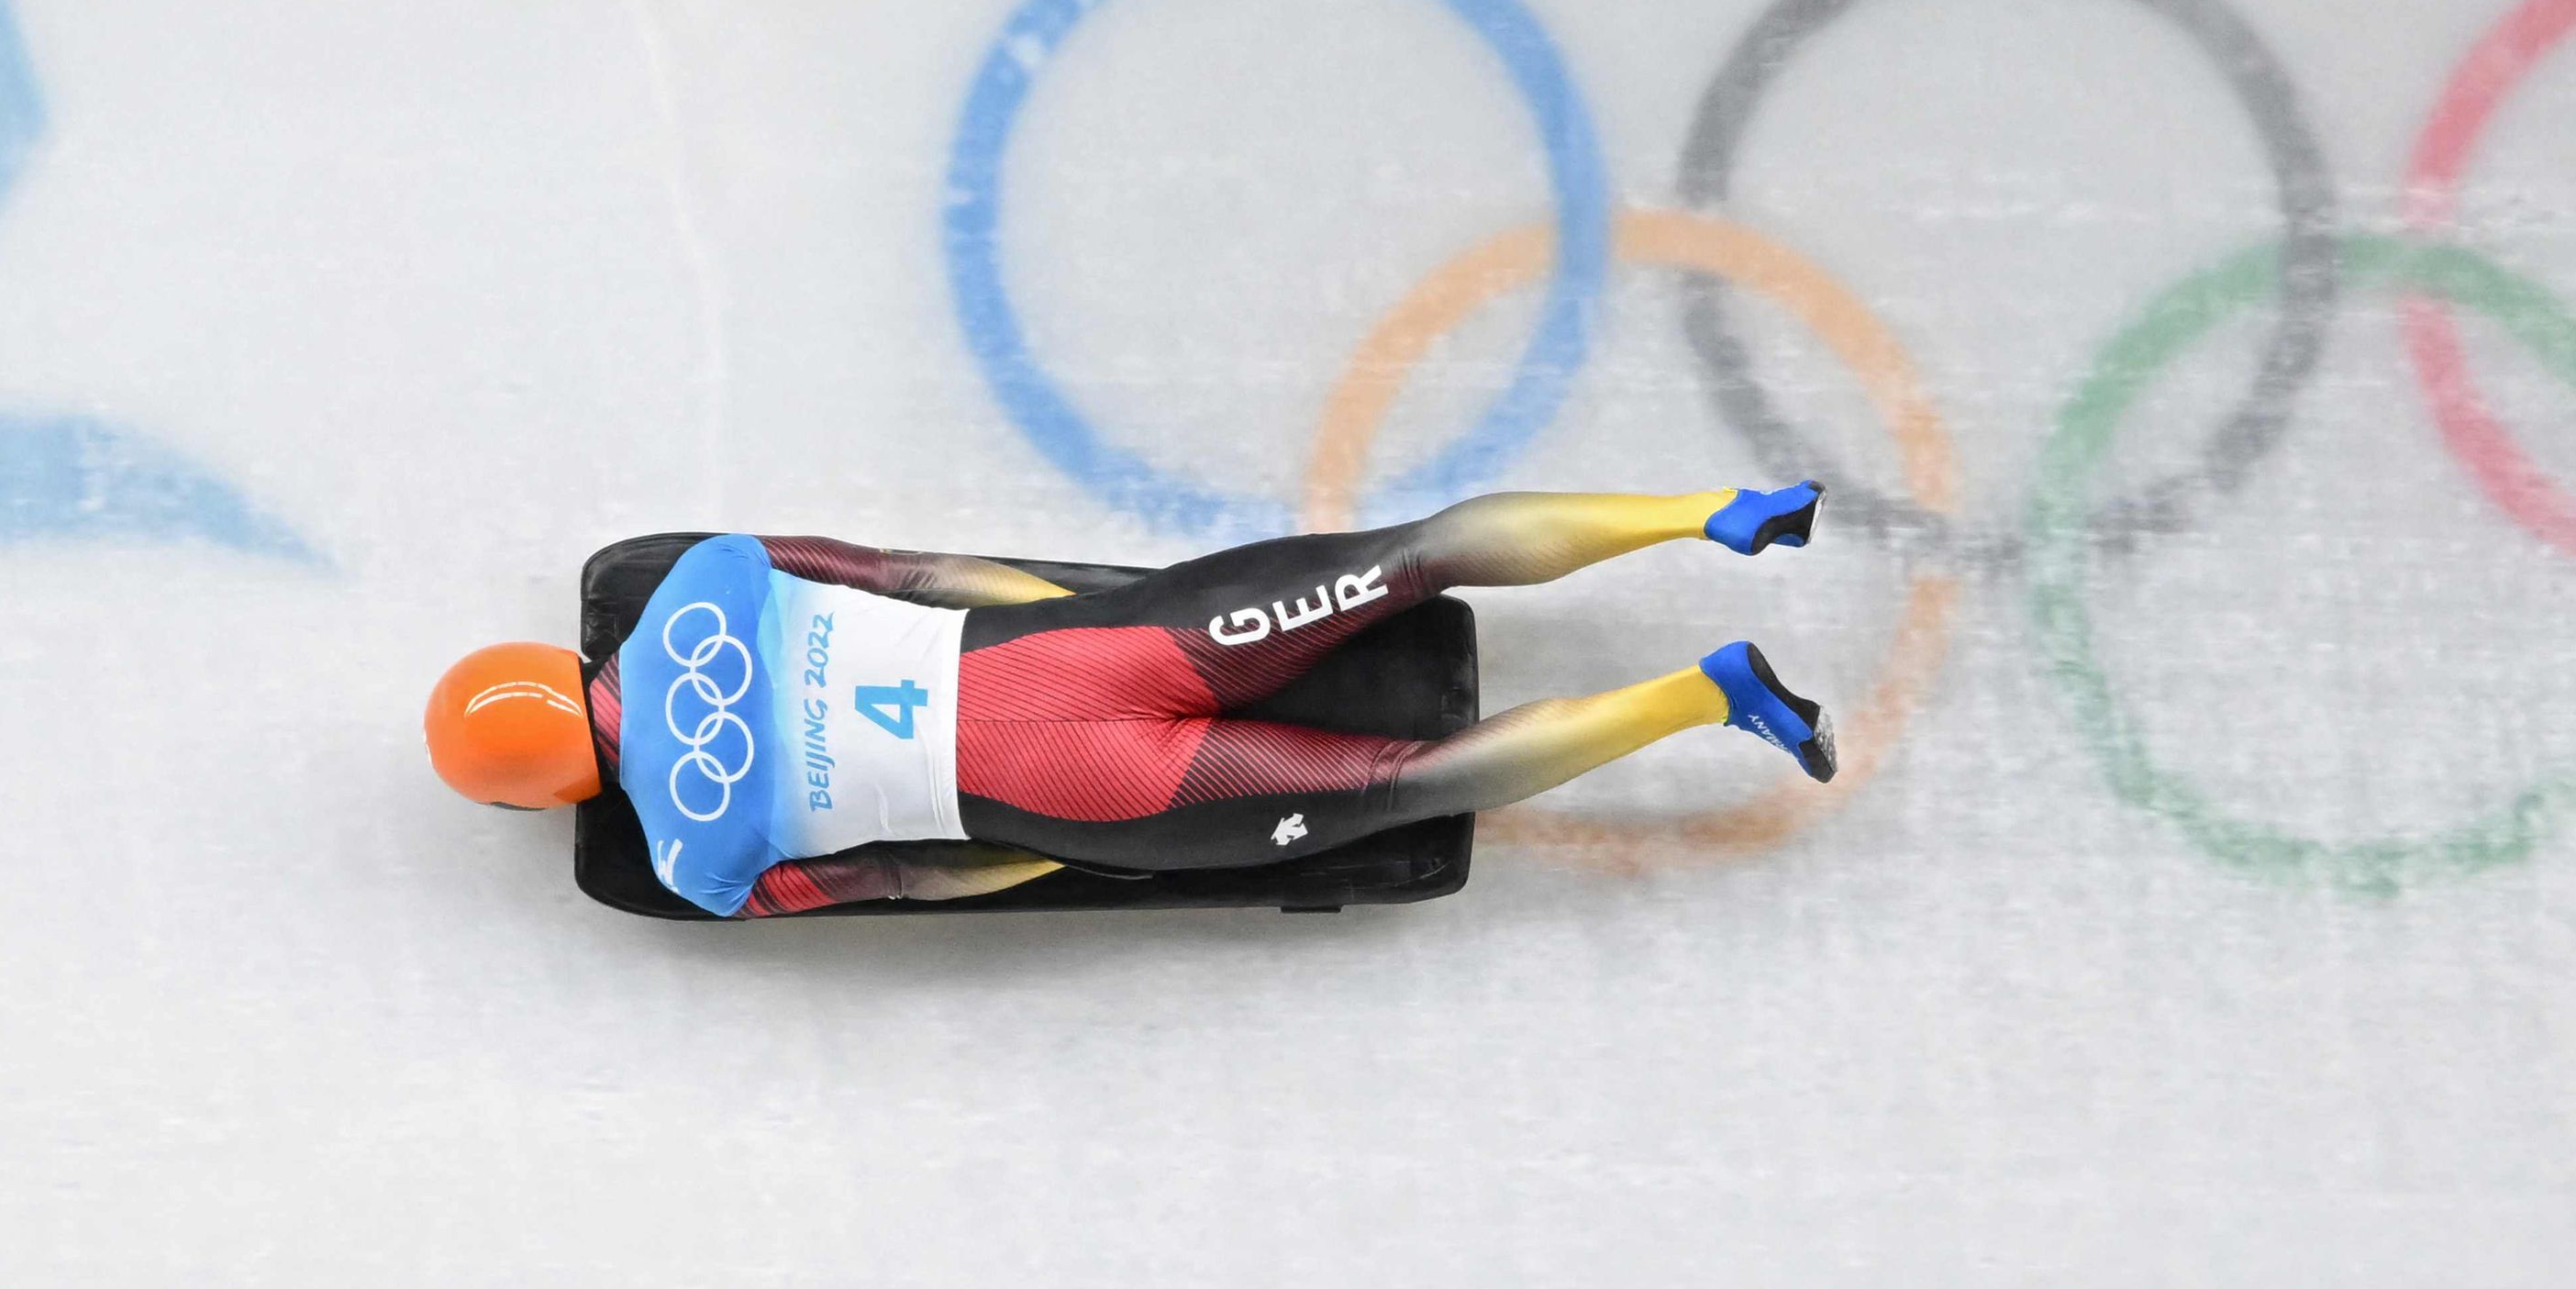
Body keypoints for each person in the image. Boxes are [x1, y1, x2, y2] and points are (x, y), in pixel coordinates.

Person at [426, 485, 1835, 915]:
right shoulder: (703, 585)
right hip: (1087, 656)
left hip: (1097, 801)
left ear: (541, 787)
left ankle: (1706, 700)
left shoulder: (692, 859)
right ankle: (1710, 512)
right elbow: (902, 567)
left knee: (1408, 787)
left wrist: (1059, 857)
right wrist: (1078, 616)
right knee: (1403, 561)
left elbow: (911, 882)